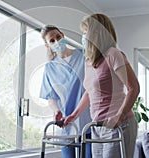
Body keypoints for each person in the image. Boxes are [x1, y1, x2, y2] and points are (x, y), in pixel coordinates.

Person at [63, 13, 140, 158]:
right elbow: (89, 92)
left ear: (97, 33)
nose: (83, 37)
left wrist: (120, 115)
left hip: (119, 124)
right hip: (97, 127)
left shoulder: (114, 55)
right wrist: (73, 115)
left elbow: (133, 87)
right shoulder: (89, 61)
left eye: (86, 33)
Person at [39, 25, 92, 158]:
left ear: (63, 35)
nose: (57, 41)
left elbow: (93, 87)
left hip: (87, 120)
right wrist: (57, 111)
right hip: (65, 124)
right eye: (52, 41)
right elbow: (51, 97)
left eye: (58, 37)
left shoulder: (84, 57)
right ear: (47, 46)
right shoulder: (50, 68)